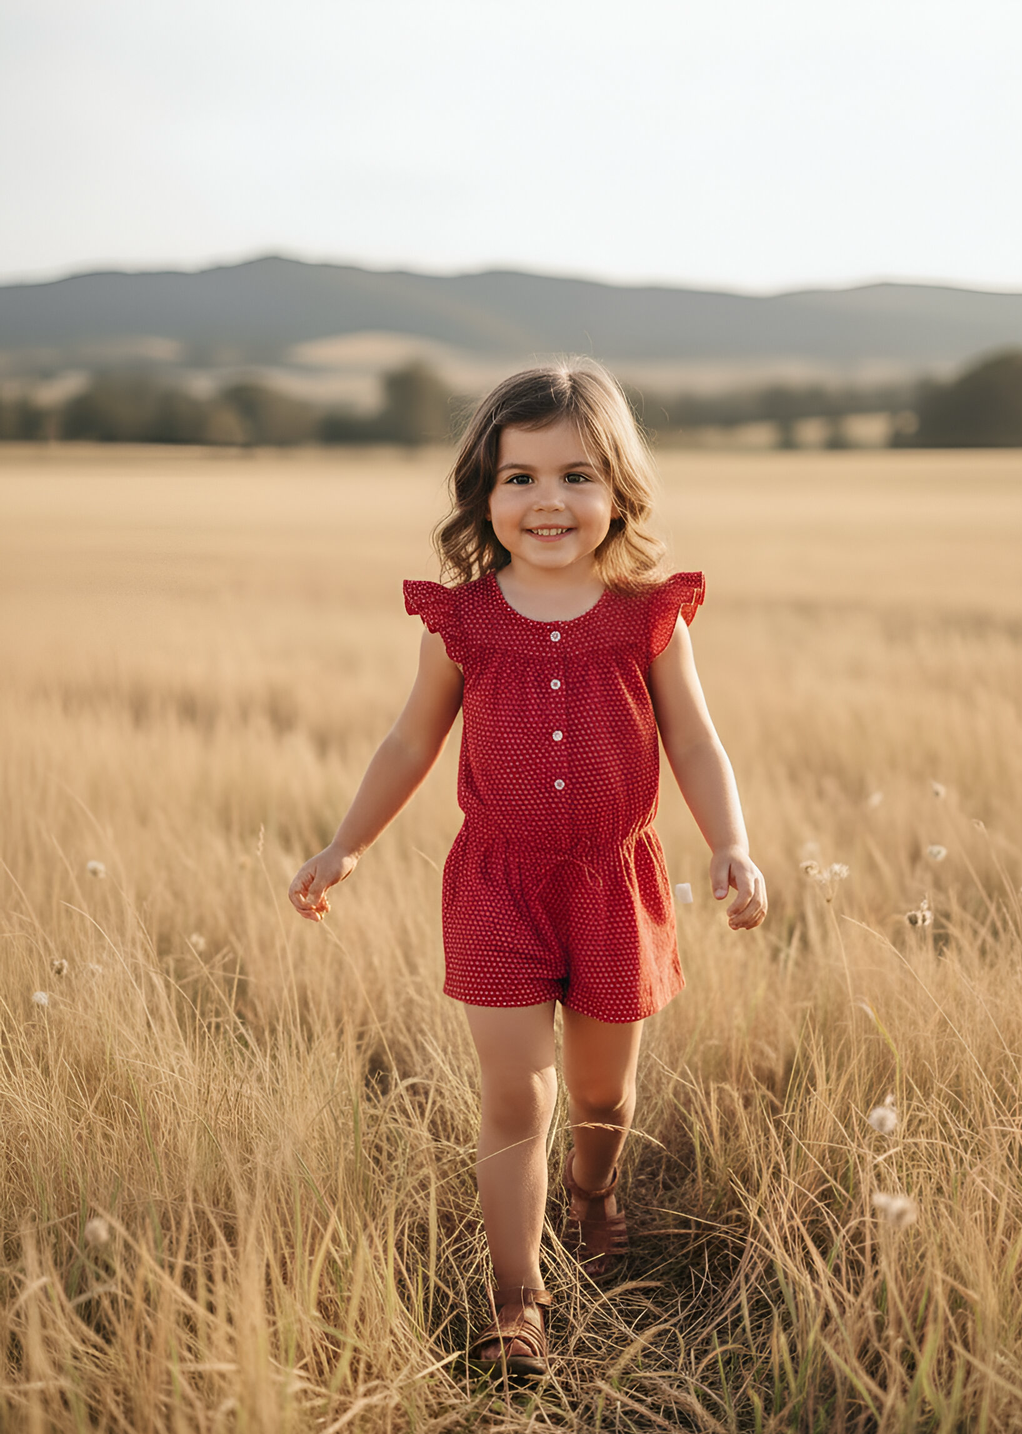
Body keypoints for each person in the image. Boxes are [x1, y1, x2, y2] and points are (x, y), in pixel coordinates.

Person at [288, 361, 767, 1379]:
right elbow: (411, 743)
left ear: (618, 493)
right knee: (519, 1097)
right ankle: (519, 1301)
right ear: (485, 492)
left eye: (577, 476)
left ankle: (594, 1194)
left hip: (614, 883)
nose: (549, 499)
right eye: (521, 477)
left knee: (604, 1098)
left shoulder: (649, 615)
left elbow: (694, 743)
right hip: (497, 886)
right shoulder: (463, 621)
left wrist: (731, 843)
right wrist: (346, 843)